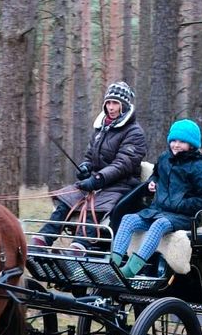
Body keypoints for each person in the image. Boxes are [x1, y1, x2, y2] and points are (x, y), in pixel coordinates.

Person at [30, 81, 147, 251]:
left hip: (122, 186)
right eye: (108, 103)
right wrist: (86, 167)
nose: (111, 107)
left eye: (116, 103)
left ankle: (80, 246)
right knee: (66, 200)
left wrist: (98, 178)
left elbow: (123, 164)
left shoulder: (135, 132)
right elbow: (90, 155)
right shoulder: (101, 128)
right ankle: (44, 239)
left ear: (124, 106)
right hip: (97, 182)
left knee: (96, 206)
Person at [110, 118, 202, 278]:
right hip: (159, 210)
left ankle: (131, 269)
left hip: (185, 217)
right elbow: (155, 175)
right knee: (128, 219)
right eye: (174, 140)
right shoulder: (164, 159)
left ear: (192, 145)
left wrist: (180, 204)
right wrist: (152, 183)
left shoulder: (199, 168)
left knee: (158, 225)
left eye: (182, 141)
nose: (176, 145)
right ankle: (113, 264)